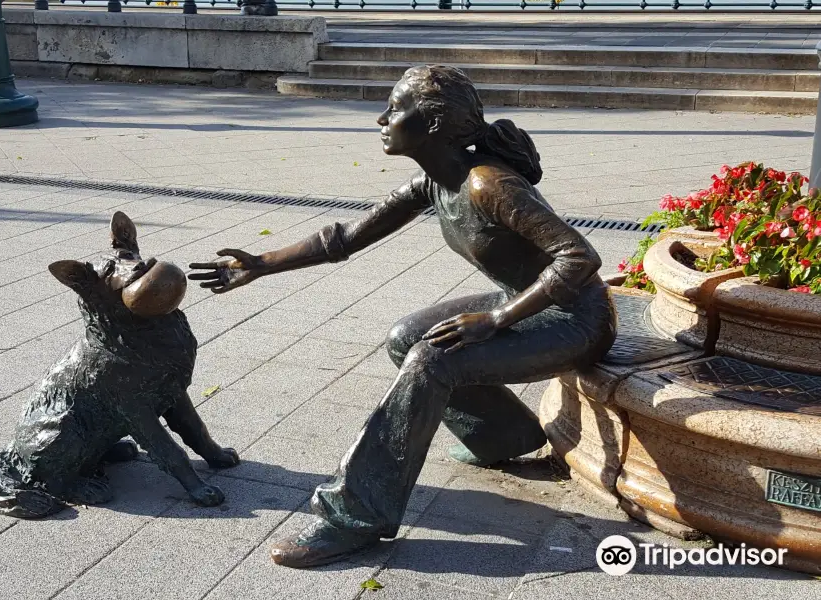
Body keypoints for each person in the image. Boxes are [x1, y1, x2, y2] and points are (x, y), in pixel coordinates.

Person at [188, 65, 617, 569]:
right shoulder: (433, 183)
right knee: (404, 337)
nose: (381, 119)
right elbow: (344, 238)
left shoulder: (488, 185)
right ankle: (505, 437)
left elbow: (580, 257)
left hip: (578, 321)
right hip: (526, 300)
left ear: (433, 125)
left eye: (395, 108)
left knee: (430, 359)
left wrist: (496, 319)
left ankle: (355, 515)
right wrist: (261, 264)